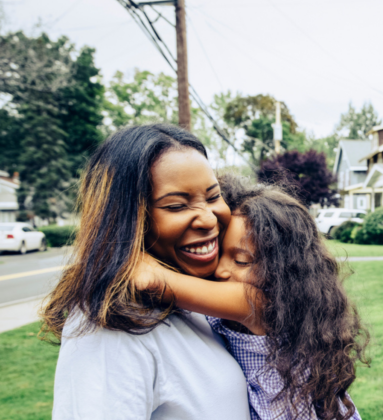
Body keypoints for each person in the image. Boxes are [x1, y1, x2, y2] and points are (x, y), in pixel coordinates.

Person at [41, 124, 251, 420]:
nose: (208, 218)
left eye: (213, 196)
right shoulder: (110, 326)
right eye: (177, 205)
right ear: (128, 219)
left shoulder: (196, 294)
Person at [136, 174, 369, 420]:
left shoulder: (258, 304)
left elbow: (150, 279)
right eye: (219, 252)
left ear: (282, 274)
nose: (221, 270)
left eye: (241, 260)